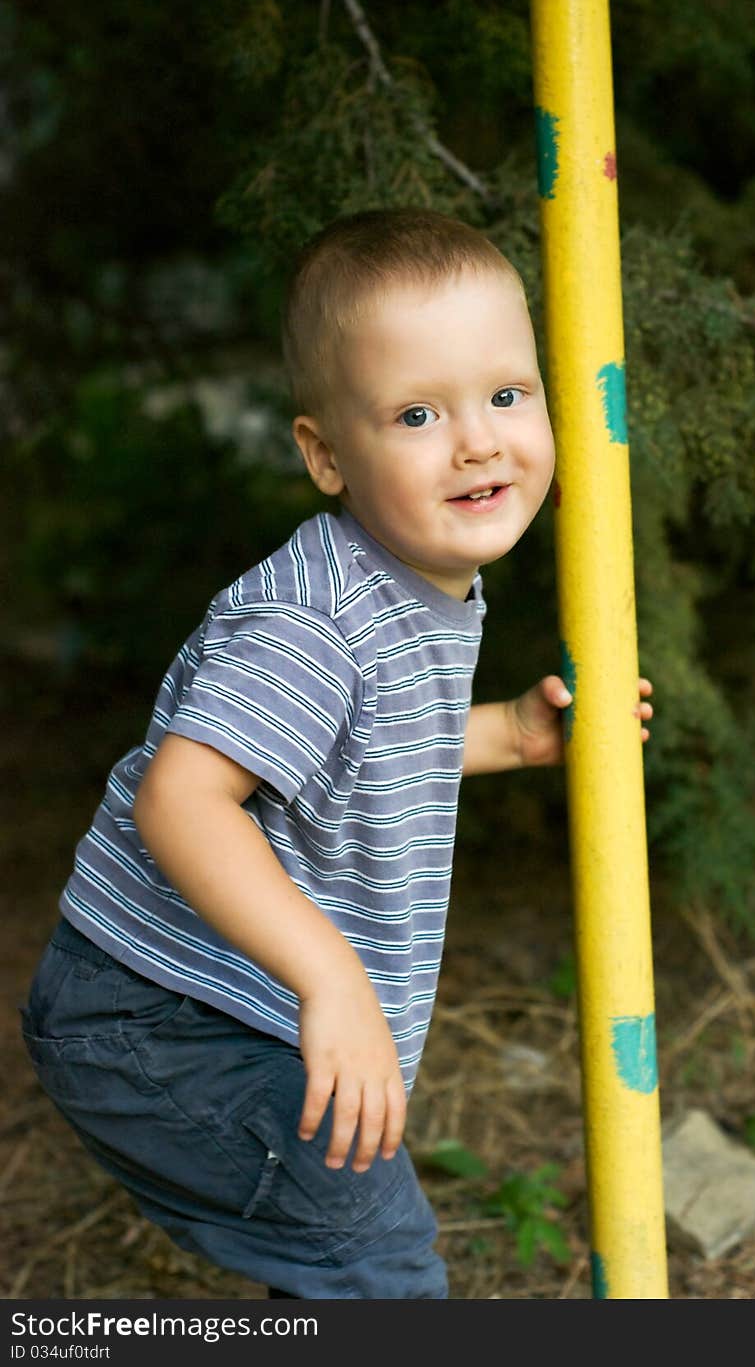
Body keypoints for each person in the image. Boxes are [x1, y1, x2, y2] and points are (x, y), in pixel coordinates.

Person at [21, 208, 653, 1300]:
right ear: (325, 453)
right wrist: (332, 976)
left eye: (507, 394)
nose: (478, 441)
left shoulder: (412, 586)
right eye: (416, 412)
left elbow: (356, 752)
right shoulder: (313, 619)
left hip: (214, 1006)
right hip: (160, 1015)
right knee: (373, 1255)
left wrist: (508, 731)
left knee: (344, 1248)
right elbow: (184, 801)